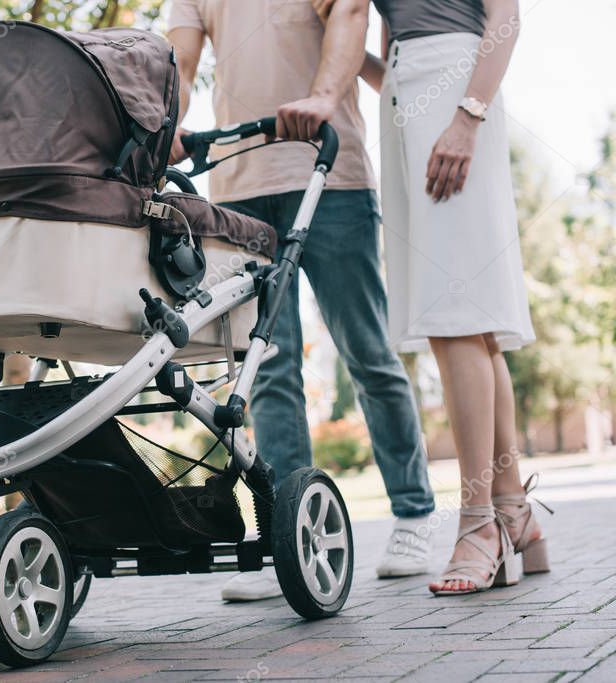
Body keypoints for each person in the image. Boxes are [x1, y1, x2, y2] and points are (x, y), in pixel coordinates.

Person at [167, 0, 437, 601]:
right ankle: (292, 540)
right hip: (239, 189)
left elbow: (349, 16)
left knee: (366, 349)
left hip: (329, 174)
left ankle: (415, 513)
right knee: (269, 366)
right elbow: (181, 63)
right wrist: (171, 125)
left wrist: (320, 98)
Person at [351, 0, 545, 594]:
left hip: (460, 93)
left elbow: (505, 19)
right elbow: (390, 56)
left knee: (456, 315)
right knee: (472, 323)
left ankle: (478, 522)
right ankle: (515, 513)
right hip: (406, 100)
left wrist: (468, 115)